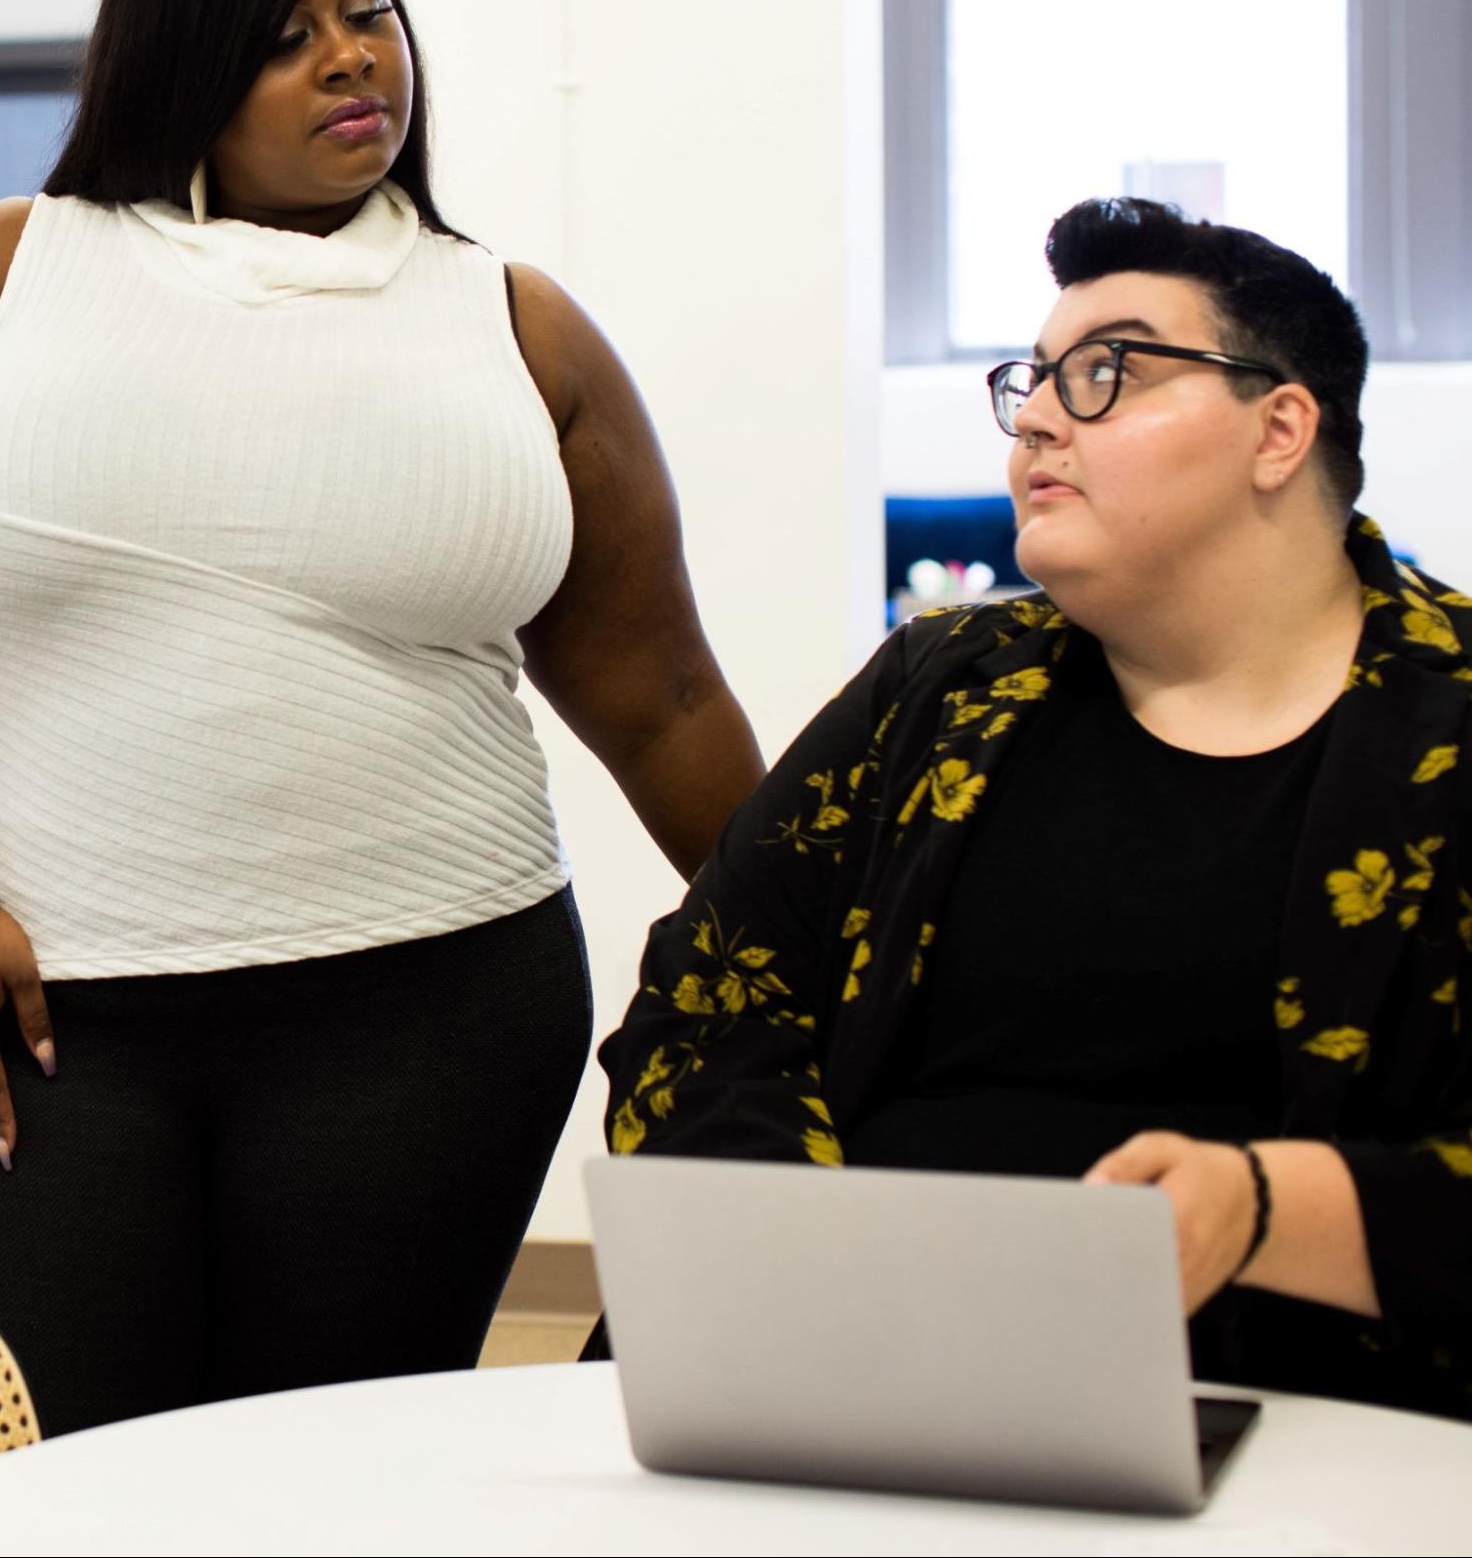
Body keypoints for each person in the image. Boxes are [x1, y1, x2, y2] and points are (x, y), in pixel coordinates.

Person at [0, 0, 764, 1436]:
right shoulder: (10, 271)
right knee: (59, 1490)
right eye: (284, 35)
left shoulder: (513, 325)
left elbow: (658, 699)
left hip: (434, 1006)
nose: (351, 56)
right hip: (28, 1015)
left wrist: (804, 948)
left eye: (366, 12)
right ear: (180, 69)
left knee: (337, 1478)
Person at [597, 197, 1472, 1420]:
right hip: (848, 1376)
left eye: (1106, 372)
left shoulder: (1450, 730)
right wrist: (810, 1275)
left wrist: (1269, 1209)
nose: (1040, 422)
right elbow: (710, 998)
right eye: (1036, 383)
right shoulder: (940, 689)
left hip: (1295, 1412)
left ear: (1280, 428)